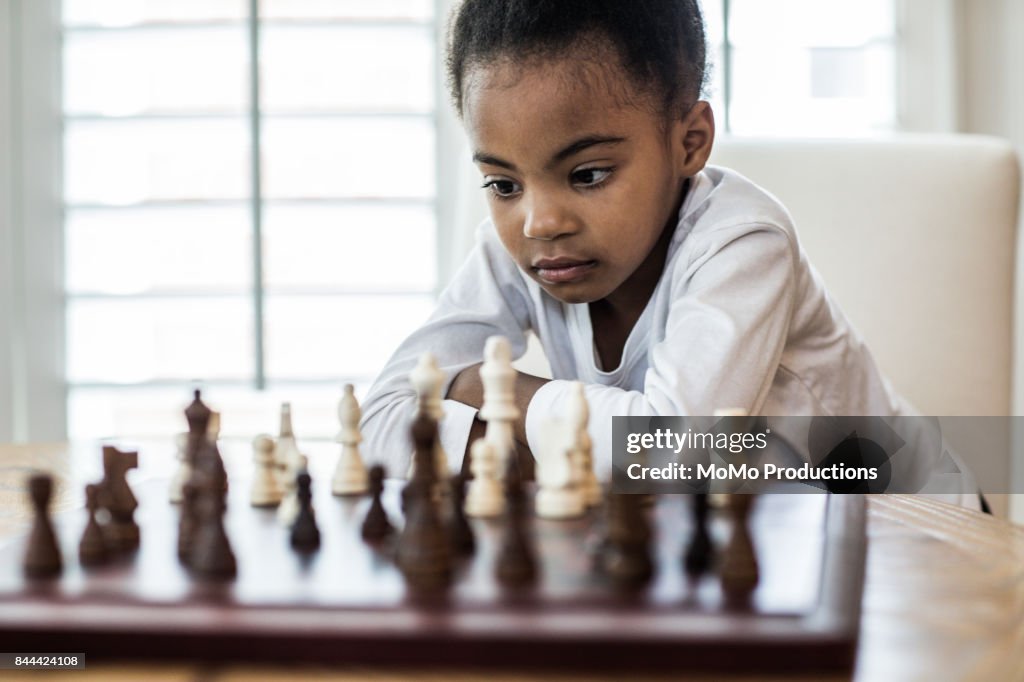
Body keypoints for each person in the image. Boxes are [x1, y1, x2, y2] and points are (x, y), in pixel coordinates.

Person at [360, 0, 979, 507]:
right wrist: (571, 444)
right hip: (760, 529)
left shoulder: (744, 243)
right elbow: (378, 425)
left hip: (915, 522)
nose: (540, 221)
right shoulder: (513, 250)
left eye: (589, 174)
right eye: (503, 184)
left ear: (690, 143)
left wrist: (503, 398)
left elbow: (671, 454)